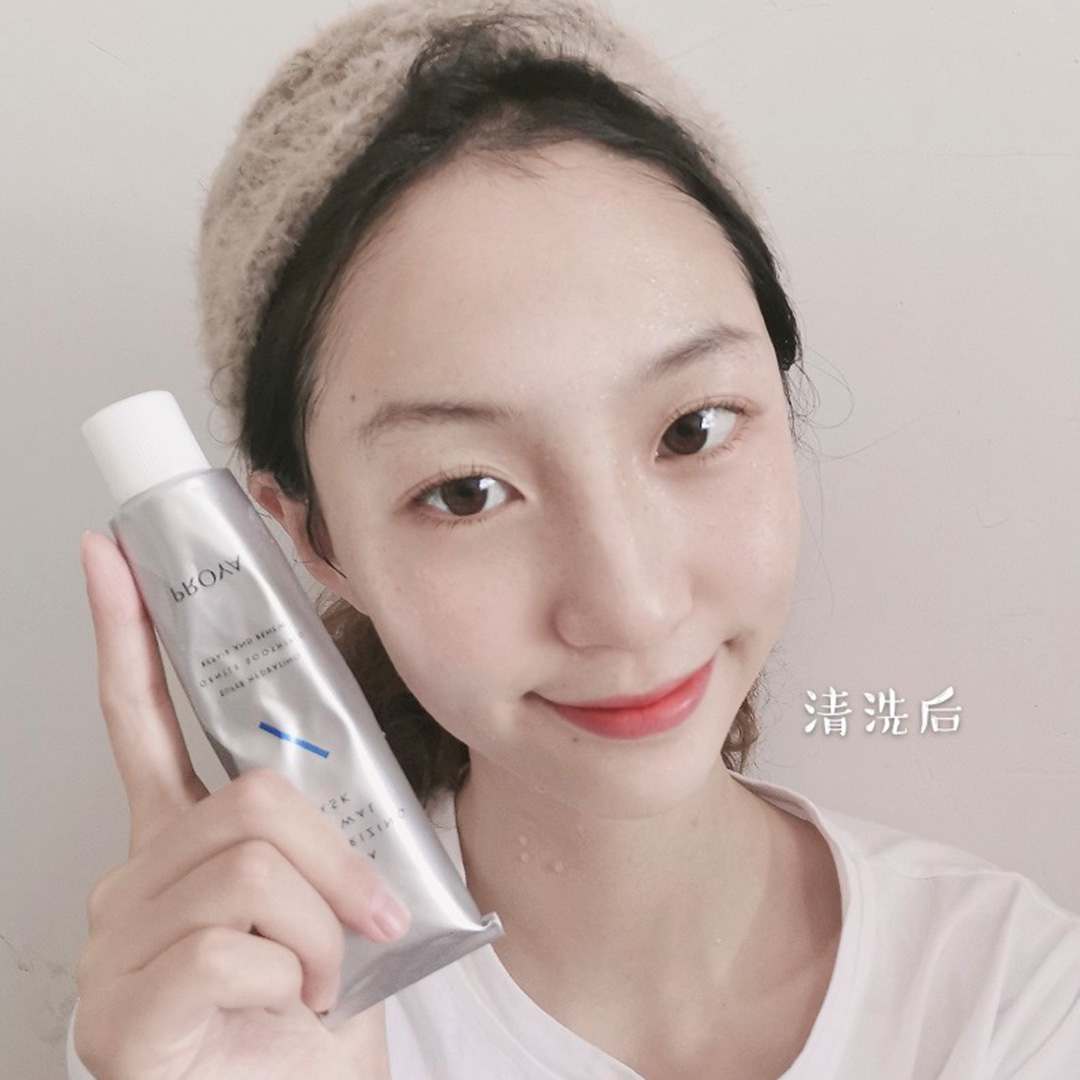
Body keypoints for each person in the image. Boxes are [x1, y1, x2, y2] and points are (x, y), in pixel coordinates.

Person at [69, 1, 1080, 1077]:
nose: (631, 607)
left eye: (693, 429)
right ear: (314, 544)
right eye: (467, 492)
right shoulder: (212, 1031)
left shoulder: (1004, 997)